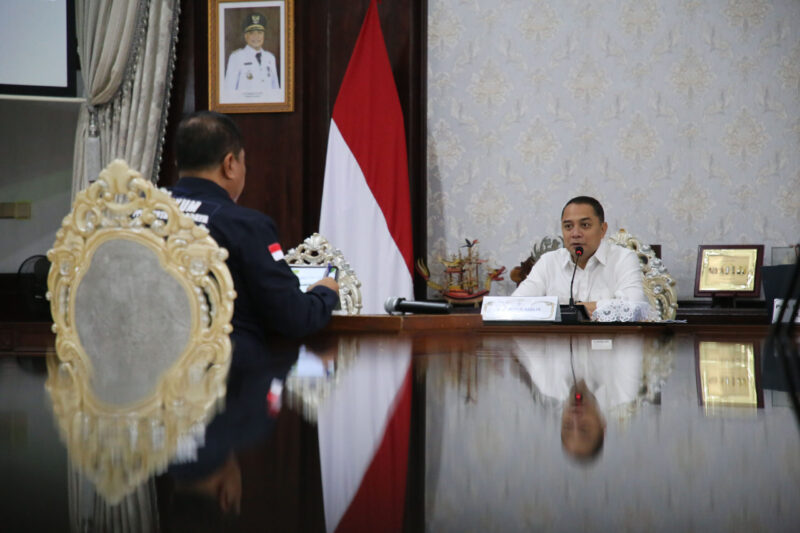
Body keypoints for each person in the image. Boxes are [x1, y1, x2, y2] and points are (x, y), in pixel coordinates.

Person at [171, 111, 339, 362]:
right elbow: (294, 318)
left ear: (178, 163)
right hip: (226, 373)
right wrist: (325, 292)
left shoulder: (141, 213)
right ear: (230, 164)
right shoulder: (245, 226)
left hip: (145, 373)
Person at [512, 196, 647, 318]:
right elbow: (515, 306)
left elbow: (635, 307)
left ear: (603, 229)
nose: (575, 233)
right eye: (568, 226)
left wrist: (578, 310)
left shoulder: (623, 259)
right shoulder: (549, 261)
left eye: (585, 225)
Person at [223, 12, 280, 101]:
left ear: (264, 35)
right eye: (252, 33)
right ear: (246, 36)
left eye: (260, 33)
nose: (256, 37)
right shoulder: (236, 57)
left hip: (268, 106)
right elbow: (229, 91)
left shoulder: (270, 58)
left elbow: (276, 90)